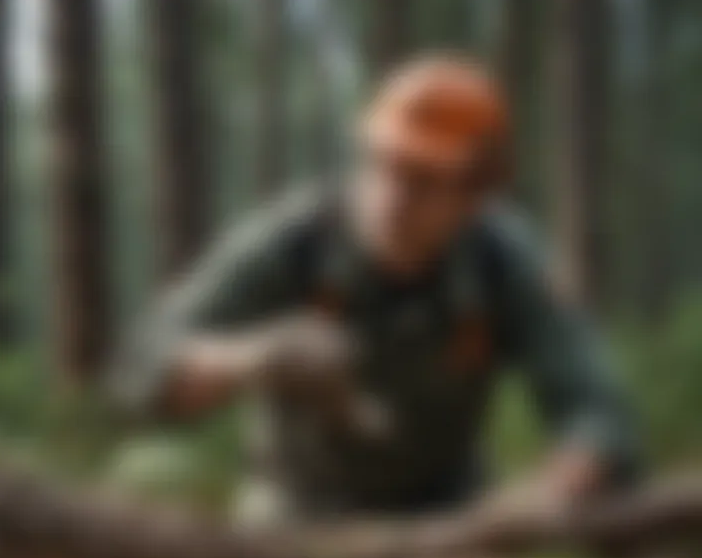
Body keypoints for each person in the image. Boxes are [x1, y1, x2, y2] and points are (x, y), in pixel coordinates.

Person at [111, 55, 638, 523]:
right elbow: (140, 367)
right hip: (294, 528)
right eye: (381, 165)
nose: (392, 196)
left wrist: (560, 485)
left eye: (422, 179)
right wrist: (249, 357)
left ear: (476, 196)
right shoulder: (296, 243)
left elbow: (597, 411)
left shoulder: (502, 260)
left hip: (450, 527)